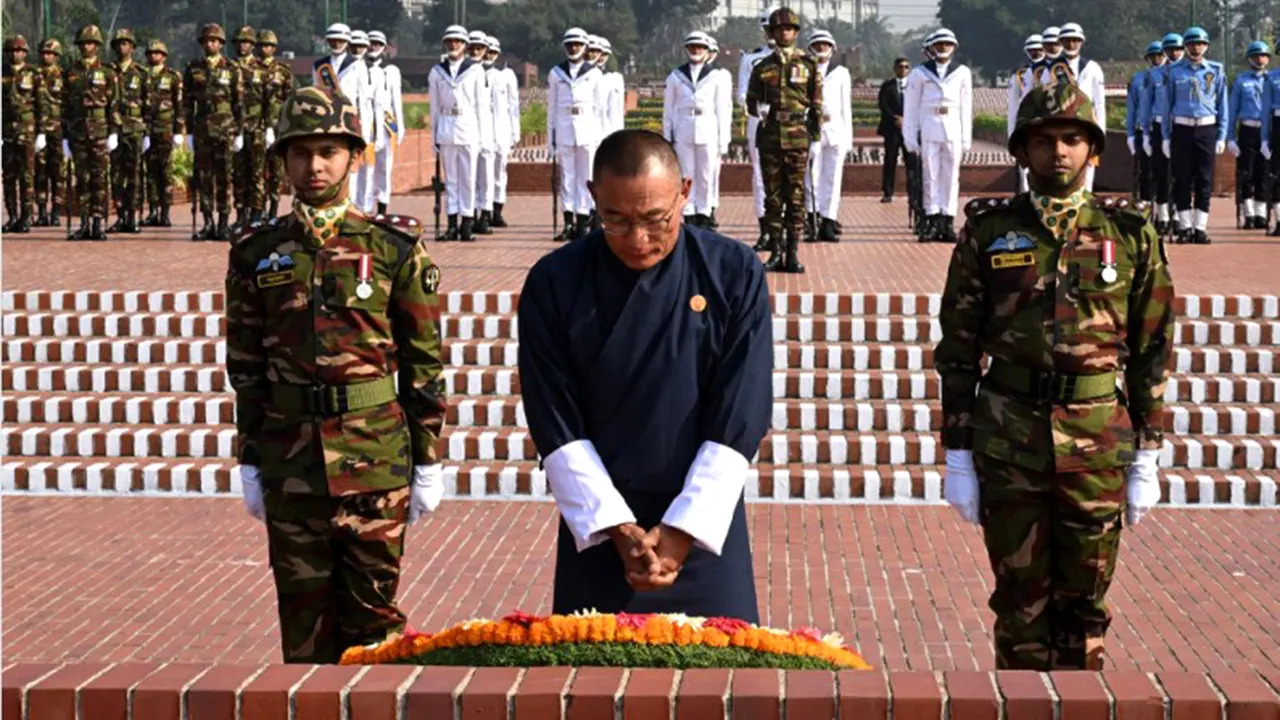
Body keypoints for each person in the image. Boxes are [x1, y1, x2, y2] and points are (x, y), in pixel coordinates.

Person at [936, 82, 1174, 671]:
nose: (1059, 153)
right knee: (1018, 603)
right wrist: (958, 453)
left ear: (1093, 151)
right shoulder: (989, 233)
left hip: (1096, 441)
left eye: (1072, 140)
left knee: (1085, 605)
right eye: (1044, 141)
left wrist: (1149, 454)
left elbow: (1152, 347)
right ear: (1021, 152)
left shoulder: (1130, 233)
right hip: (1009, 437)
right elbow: (959, 348)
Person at [226, 86, 447, 664]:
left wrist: (428, 459)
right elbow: (246, 365)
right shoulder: (257, 251)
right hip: (290, 460)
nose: (314, 165)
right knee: (302, 623)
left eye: (328, 150)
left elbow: (424, 361)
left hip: (374, 459)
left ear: (355, 156)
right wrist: (249, 457)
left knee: (375, 625)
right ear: (283, 161)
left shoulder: (395, 246)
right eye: (300, 153)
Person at [517, 129, 771, 621]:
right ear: (592, 197)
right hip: (600, 528)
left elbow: (742, 407)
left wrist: (681, 530)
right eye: (616, 220)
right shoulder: (556, 280)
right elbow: (554, 416)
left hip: (703, 528)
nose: (638, 240)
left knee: (722, 684)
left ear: (686, 193)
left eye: (657, 220)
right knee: (590, 687)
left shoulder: (731, 271)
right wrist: (617, 528)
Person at [746, 7, 821, 273]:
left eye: (788, 29)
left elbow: (816, 104)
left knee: (797, 198)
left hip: (798, 138)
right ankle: (776, 251)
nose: (784, 33)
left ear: (795, 33)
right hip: (770, 138)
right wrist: (759, 110)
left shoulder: (808, 64)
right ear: (772, 33)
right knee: (774, 198)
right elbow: (750, 100)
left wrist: (814, 137)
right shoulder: (762, 67)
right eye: (779, 29)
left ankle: (793, 253)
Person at [903, 28, 972, 243]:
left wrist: (966, 138)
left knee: (951, 176)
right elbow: (911, 107)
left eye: (947, 44)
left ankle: (947, 220)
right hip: (929, 124)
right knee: (930, 174)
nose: (943, 47)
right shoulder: (919, 73)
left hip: (952, 126)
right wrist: (910, 136)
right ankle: (930, 218)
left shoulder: (962, 72)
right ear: (932, 47)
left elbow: (966, 106)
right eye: (940, 44)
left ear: (954, 47)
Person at [1161, 25, 1226, 245]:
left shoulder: (1216, 71)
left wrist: (1222, 135)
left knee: (1204, 179)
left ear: (1206, 46)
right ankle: (1184, 227)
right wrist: (1166, 137)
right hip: (1182, 128)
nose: (1196, 48)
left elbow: (1222, 105)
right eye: (1191, 44)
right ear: (1185, 46)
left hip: (1206, 128)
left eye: (1200, 44)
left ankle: (1200, 227)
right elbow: (1166, 106)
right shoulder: (1174, 71)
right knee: (1182, 179)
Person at [184, 22, 244, 241]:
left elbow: (239, 103)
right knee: (204, 177)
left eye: (214, 40)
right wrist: (188, 131)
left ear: (220, 44)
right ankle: (207, 221)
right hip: (202, 128)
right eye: (207, 40)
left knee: (224, 176)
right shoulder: (193, 68)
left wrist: (239, 131)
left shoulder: (232, 68)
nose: (210, 44)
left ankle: (223, 223)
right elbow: (187, 101)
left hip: (225, 129)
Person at [663, 31, 730, 229]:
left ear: (707, 50)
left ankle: (705, 211)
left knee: (706, 173)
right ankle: (689, 212)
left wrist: (723, 139)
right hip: (684, 127)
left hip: (707, 126)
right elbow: (668, 109)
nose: (696, 50)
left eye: (700, 47)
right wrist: (668, 135)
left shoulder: (716, 76)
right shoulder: (676, 76)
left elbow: (722, 109)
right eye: (692, 47)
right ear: (686, 49)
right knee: (686, 174)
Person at [547, 26, 607, 242]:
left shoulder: (594, 73)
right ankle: (568, 222)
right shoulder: (556, 73)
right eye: (570, 44)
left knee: (585, 177)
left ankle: (583, 221)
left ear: (585, 47)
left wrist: (600, 137)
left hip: (587, 129)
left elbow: (600, 109)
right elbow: (551, 108)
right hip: (564, 128)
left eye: (578, 45)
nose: (574, 48)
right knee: (567, 179)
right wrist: (550, 137)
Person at [428, 24, 485, 242]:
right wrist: (434, 136)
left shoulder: (475, 70)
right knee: (450, 179)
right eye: (450, 41)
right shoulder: (437, 72)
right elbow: (434, 107)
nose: (453, 45)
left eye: (457, 41)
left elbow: (481, 107)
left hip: (468, 126)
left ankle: (467, 223)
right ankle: (451, 223)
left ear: (465, 45)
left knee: (468, 179)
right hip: (446, 127)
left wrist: (481, 136)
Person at [63, 24, 120, 241]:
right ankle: (84, 223)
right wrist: (64, 135)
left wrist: (113, 131)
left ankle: (98, 222)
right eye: (84, 43)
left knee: (99, 178)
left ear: (97, 46)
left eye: (91, 43)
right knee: (82, 177)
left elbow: (114, 104)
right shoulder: (71, 72)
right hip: (78, 130)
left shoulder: (107, 72)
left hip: (99, 129)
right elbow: (65, 105)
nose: (87, 47)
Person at [1039, 23, 1105, 191]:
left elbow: (1099, 103)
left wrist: (1101, 132)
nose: (1071, 44)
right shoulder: (1051, 69)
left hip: (1088, 123)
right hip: (1061, 125)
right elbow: (1043, 98)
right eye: (1067, 40)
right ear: (1061, 42)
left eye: (1075, 40)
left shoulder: (1092, 68)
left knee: (1088, 170)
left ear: (1081, 42)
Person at [739, 6, 780, 250]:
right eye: (768, 28)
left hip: (788, 123)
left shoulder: (798, 59)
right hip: (760, 121)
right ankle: (766, 229)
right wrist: (757, 106)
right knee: (760, 177)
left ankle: (786, 229)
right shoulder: (751, 59)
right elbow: (742, 92)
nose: (772, 33)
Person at [807, 29, 850, 242]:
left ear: (832, 48)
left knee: (833, 178)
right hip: (812, 128)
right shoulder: (805, 69)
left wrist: (848, 139)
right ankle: (811, 220)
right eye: (817, 45)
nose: (821, 48)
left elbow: (846, 107)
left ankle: (829, 220)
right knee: (811, 177)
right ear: (810, 48)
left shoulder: (841, 72)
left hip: (835, 128)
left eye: (825, 45)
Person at [140, 39, 184, 228]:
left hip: (165, 129)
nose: (153, 56)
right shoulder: (142, 76)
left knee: (165, 171)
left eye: (157, 53)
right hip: (147, 129)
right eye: (150, 53)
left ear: (164, 56)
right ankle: (153, 210)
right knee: (150, 171)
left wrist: (179, 131)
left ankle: (165, 212)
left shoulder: (173, 77)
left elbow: (179, 104)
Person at [1143, 33, 1183, 235]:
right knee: (1161, 173)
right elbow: (1146, 105)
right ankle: (1163, 216)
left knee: (1180, 173)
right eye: (1168, 50)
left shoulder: (1183, 73)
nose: (1172, 53)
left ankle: (1178, 216)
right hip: (1158, 126)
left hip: (1179, 126)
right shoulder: (1154, 76)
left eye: (1177, 50)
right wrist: (1145, 134)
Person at [1229, 42, 1270, 230]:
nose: (1259, 59)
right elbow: (1232, 109)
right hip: (1247, 130)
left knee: (1264, 171)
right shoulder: (1241, 80)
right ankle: (1249, 212)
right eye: (1255, 56)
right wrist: (1230, 136)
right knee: (1246, 172)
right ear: (1249, 59)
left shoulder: (1273, 79)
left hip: (1267, 131)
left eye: (1263, 56)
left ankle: (1262, 213)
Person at [108, 29, 145, 234]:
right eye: (119, 44)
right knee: (116, 175)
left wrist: (146, 130)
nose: (122, 47)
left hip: (134, 130)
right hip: (115, 130)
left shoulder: (140, 73)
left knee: (134, 175)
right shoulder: (108, 71)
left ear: (132, 47)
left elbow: (149, 104)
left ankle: (132, 216)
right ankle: (121, 215)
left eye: (125, 43)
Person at [3, 35, 40, 233]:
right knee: (8, 176)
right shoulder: (2, 73)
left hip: (27, 129)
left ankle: (27, 216)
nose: (14, 54)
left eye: (18, 50)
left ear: (25, 53)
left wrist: (41, 132)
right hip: (7, 131)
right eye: (11, 51)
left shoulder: (33, 74)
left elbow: (41, 104)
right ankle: (12, 216)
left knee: (27, 175)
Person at [367, 30, 404, 217]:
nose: (373, 47)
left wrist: (401, 125)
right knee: (366, 168)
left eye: (377, 44)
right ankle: (365, 205)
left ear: (383, 47)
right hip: (367, 122)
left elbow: (396, 100)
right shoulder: (360, 68)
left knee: (384, 167)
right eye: (370, 43)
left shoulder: (390, 70)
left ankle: (382, 205)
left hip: (385, 124)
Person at [257, 30, 293, 219]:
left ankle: (273, 210)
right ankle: (259, 209)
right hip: (256, 126)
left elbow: (290, 100)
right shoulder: (249, 69)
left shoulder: (283, 71)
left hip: (278, 127)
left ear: (274, 49)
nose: (266, 49)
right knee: (257, 170)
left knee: (277, 170)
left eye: (269, 46)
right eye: (262, 45)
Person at [483, 35, 518, 227]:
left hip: (501, 130)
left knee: (499, 173)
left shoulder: (506, 75)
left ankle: (497, 210)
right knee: (483, 175)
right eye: (487, 51)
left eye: (493, 52)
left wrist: (515, 132)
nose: (490, 55)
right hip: (483, 132)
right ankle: (484, 211)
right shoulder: (476, 74)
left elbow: (513, 105)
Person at [1127, 41, 1164, 207]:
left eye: (1160, 55)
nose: (1157, 59)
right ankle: (1146, 204)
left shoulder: (1170, 75)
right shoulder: (1138, 79)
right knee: (1146, 171)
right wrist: (1130, 133)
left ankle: (1165, 209)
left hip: (1164, 129)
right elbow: (1132, 107)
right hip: (1144, 129)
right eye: (1153, 56)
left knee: (1165, 172)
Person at [33, 37, 65, 227]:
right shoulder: (34, 75)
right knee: (40, 172)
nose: (47, 57)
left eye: (51, 54)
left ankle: (56, 212)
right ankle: (42, 212)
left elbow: (69, 104)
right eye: (45, 53)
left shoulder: (64, 76)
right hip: (37, 130)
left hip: (58, 129)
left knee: (58, 173)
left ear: (57, 56)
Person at [468, 31, 497, 235]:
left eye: (481, 48)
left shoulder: (498, 75)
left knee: (486, 175)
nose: (478, 52)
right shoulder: (467, 72)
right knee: (470, 176)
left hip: (490, 130)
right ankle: (472, 213)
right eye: (473, 48)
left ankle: (485, 213)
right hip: (469, 130)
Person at [1008, 35, 1043, 192]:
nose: (1035, 53)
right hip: (1026, 123)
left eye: (1038, 49)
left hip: (1046, 122)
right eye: (1032, 51)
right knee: (1025, 168)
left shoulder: (1055, 69)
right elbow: (1014, 105)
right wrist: (1011, 132)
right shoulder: (1020, 74)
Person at [705, 36, 732, 229]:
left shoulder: (721, 74)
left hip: (711, 131)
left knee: (712, 174)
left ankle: (711, 207)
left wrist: (724, 138)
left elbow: (724, 107)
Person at [878, 56, 910, 203]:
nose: (902, 69)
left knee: (911, 162)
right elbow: (883, 105)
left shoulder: (914, 86)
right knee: (890, 161)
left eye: (905, 67)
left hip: (909, 129)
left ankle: (913, 192)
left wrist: (906, 120)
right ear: (894, 68)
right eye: (900, 67)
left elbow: (918, 105)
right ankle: (887, 192)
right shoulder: (887, 86)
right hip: (892, 128)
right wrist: (896, 118)